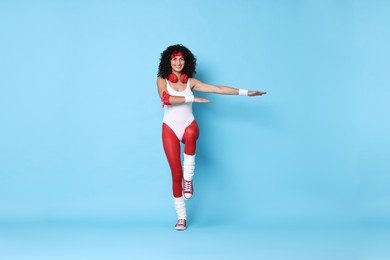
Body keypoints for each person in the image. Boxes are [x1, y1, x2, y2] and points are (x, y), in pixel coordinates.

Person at [157, 44, 266, 231]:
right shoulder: (162, 80)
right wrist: (192, 98)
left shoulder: (190, 82)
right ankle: (181, 217)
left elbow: (219, 89)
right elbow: (166, 99)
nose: (178, 62)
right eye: (174, 59)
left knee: (191, 133)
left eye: (181, 59)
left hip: (188, 125)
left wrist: (246, 92)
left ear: (186, 62)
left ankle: (188, 179)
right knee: (176, 174)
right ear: (169, 61)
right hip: (170, 128)